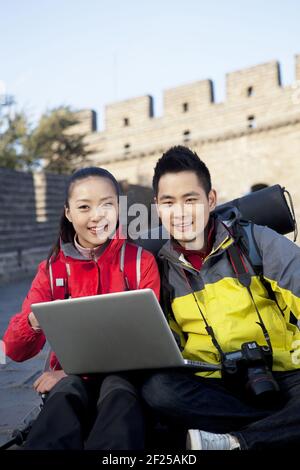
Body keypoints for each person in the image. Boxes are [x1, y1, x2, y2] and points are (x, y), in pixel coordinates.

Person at [141, 145, 300, 450]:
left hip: (282, 374)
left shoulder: (256, 240)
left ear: (210, 199)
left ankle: (232, 442)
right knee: (158, 390)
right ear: (158, 207)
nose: (181, 213)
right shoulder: (155, 269)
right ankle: (279, 428)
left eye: (191, 200)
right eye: (169, 202)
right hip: (212, 384)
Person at [3, 167, 160, 450]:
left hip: (125, 375)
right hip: (67, 380)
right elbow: (15, 350)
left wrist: (72, 372)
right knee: (64, 394)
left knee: (118, 391)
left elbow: (147, 344)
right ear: (68, 212)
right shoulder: (52, 270)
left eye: (107, 205)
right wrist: (33, 320)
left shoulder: (141, 263)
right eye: (84, 207)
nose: (97, 216)